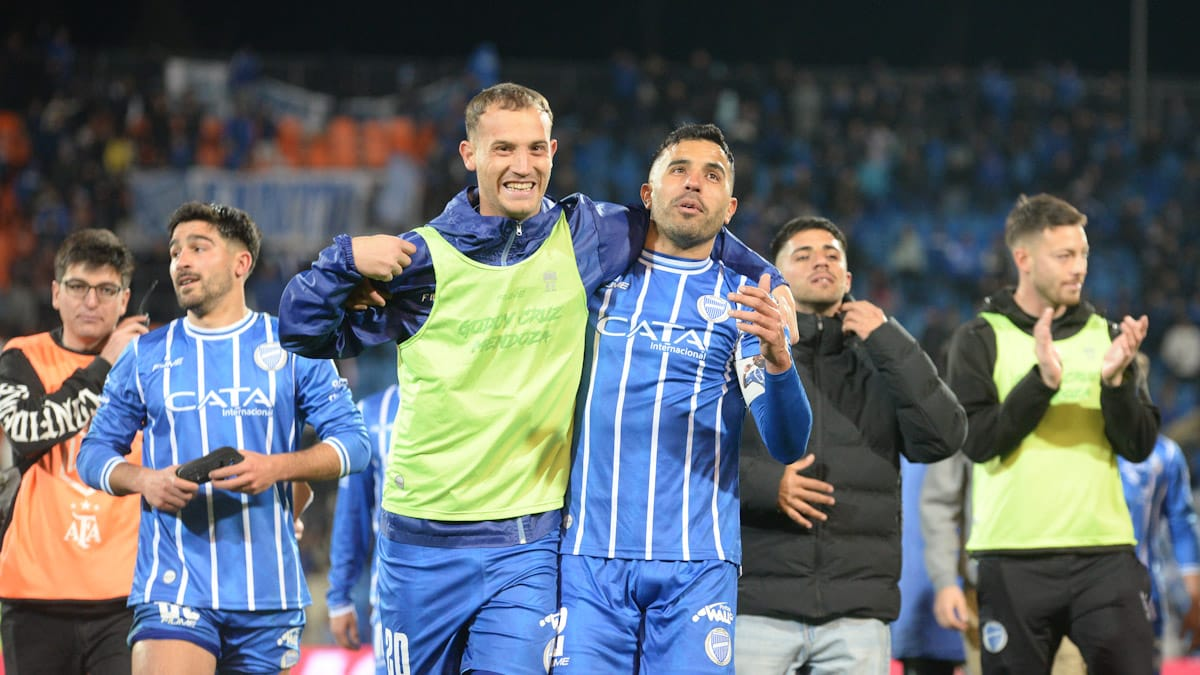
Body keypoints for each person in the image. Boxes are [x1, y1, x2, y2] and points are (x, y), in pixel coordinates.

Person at [277, 83, 782, 675]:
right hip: (420, 545)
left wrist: (773, 279)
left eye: (536, 149)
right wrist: (342, 259)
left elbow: (689, 226)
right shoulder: (421, 259)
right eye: (504, 149)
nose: (522, 166)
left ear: (553, 151)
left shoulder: (587, 235)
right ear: (470, 155)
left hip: (529, 546)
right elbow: (302, 333)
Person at [553, 123, 811, 673]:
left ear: (730, 207)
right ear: (648, 194)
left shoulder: (747, 304)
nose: (694, 184)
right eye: (679, 170)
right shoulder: (594, 283)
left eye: (711, 175)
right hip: (589, 560)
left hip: (697, 566)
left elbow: (788, 442)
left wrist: (780, 360)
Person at [76, 202, 370, 675]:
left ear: (241, 264)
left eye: (198, 248)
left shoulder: (295, 347)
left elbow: (355, 443)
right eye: (175, 252)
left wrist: (276, 468)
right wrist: (144, 480)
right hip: (175, 587)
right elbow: (92, 454)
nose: (181, 262)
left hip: (268, 593)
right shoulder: (146, 354)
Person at [736, 215, 966, 674]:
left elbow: (944, 437)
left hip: (856, 612)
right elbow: (694, 455)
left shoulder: (883, 359)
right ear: (774, 278)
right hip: (758, 604)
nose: (820, 262)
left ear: (848, 279)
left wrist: (890, 340)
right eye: (803, 255)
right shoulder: (743, 352)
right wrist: (768, 485)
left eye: (832, 256)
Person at [944, 193, 1157, 674]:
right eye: (1064, 255)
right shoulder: (979, 338)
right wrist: (1041, 383)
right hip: (1012, 559)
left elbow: (1139, 445)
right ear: (1024, 258)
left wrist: (1117, 383)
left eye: (1083, 254)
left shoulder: (1108, 336)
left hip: (1104, 555)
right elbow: (978, 442)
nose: (1079, 267)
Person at [0, 229, 148, 675]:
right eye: (78, 287)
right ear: (55, 293)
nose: (91, 302)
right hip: (33, 599)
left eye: (106, 290)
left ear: (125, 300)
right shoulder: (22, 356)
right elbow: (27, 432)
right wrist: (105, 368)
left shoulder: (152, 362)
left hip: (124, 598)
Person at [1121, 357, 1200, 667]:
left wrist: (1194, 595)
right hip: (1079, 593)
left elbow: (1182, 524)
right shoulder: (1081, 450)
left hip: (1144, 598)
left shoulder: (1164, 454)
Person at [326, 382, 400, 667]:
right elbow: (353, 511)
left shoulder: (482, 401)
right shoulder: (374, 413)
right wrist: (339, 596)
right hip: (394, 599)